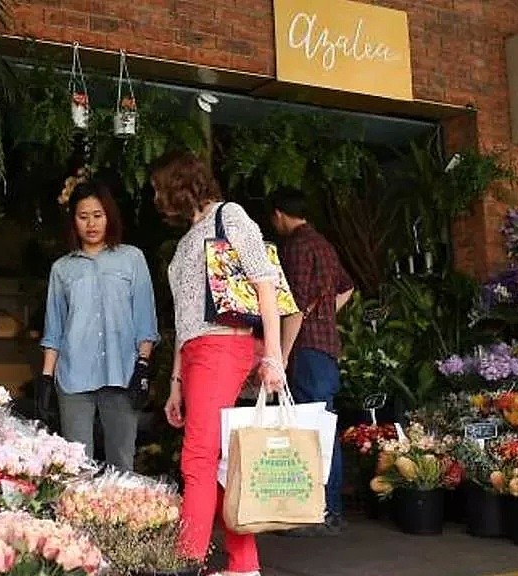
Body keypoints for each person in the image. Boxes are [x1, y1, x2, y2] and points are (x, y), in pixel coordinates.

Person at [151, 151, 287, 576]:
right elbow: (183, 318)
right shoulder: (187, 238)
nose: (155, 197)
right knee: (218, 461)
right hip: (195, 354)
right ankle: (243, 565)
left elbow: (266, 282)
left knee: (198, 458)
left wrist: (274, 355)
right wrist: (175, 381)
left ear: (178, 183)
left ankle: (186, 562)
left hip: (223, 347)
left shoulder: (229, 215)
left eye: (158, 187)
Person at [37, 180, 159, 472]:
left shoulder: (132, 259)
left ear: (109, 217)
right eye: (83, 216)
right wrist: (45, 379)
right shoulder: (62, 269)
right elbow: (54, 330)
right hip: (73, 377)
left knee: (122, 462)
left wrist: (142, 367)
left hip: (122, 374)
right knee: (76, 466)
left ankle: (119, 518)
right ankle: (79, 518)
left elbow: (145, 321)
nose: (91, 224)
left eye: (98, 215)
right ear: (73, 222)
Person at [269, 188, 354, 536]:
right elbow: (348, 287)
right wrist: (326, 317)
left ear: (278, 215)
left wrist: (281, 353)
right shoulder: (323, 244)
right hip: (327, 348)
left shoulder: (297, 247)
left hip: (304, 349)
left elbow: (295, 305)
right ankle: (328, 507)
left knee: (307, 427)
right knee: (323, 424)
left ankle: (315, 510)